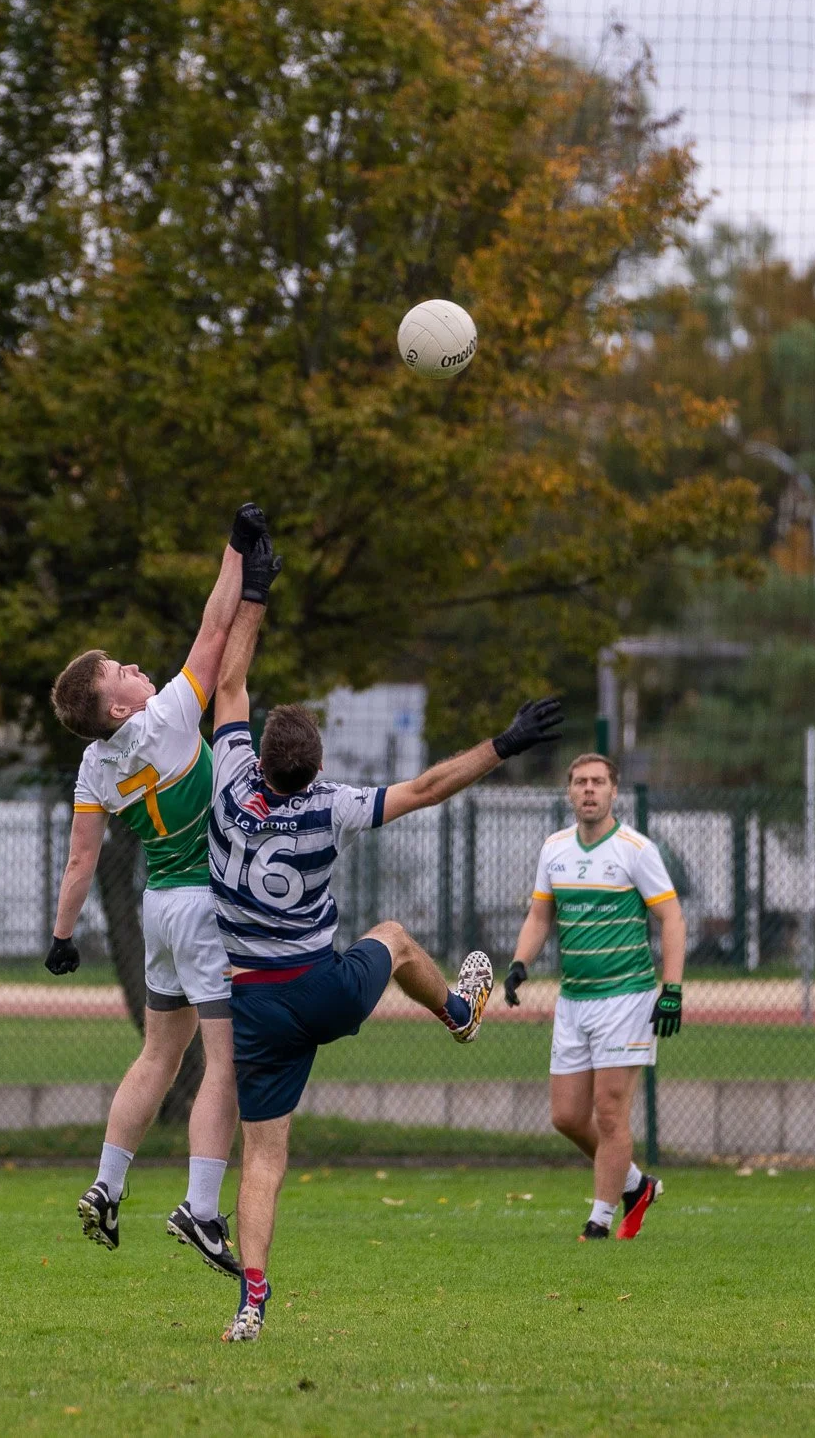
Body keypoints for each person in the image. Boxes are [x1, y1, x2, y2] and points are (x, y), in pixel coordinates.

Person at [207, 547, 561, 1341]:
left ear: (259, 756)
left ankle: (251, 1297)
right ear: (319, 763)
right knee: (395, 937)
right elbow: (430, 786)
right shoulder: (332, 804)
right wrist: (504, 745)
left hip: (254, 1003)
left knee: (261, 1159)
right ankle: (460, 1012)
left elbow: (229, 683)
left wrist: (254, 593)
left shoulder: (227, 785)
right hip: (321, 988)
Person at [44, 505, 264, 1277]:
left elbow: (79, 862)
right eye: (125, 673)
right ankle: (203, 1209)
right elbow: (213, 630)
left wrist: (63, 936)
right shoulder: (168, 716)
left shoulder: (95, 767)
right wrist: (235, 550)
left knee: (157, 1055)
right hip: (204, 905)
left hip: (159, 910)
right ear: (119, 706)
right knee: (225, 1064)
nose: (141, 669)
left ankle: (108, 1184)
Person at [503, 752, 685, 1241]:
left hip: (626, 998)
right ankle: (635, 1184)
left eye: (598, 782)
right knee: (566, 1116)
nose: (588, 790)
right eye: (580, 782)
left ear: (613, 792)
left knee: (609, 1111)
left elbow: (671, 918)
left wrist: (672, 989)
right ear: (569, 791)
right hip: (574, 999)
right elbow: (541, 916)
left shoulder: (635, 849)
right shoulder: (554, 849)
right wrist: (520, 963)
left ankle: (600, 1220)